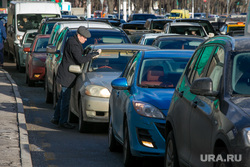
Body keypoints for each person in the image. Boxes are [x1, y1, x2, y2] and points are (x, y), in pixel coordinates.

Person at [51, 26, 101, 129]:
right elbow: (80, 60)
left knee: (62, 98)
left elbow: (80, 54)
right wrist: (93, 55)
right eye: (84, 37)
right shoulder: (73, 43)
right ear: (79, 35)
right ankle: (63, 122)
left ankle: (56, 118)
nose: (86, 39)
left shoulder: (74, 41)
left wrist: (88, 53)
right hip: (67, 75)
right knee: (65, 99)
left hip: (66, 74)